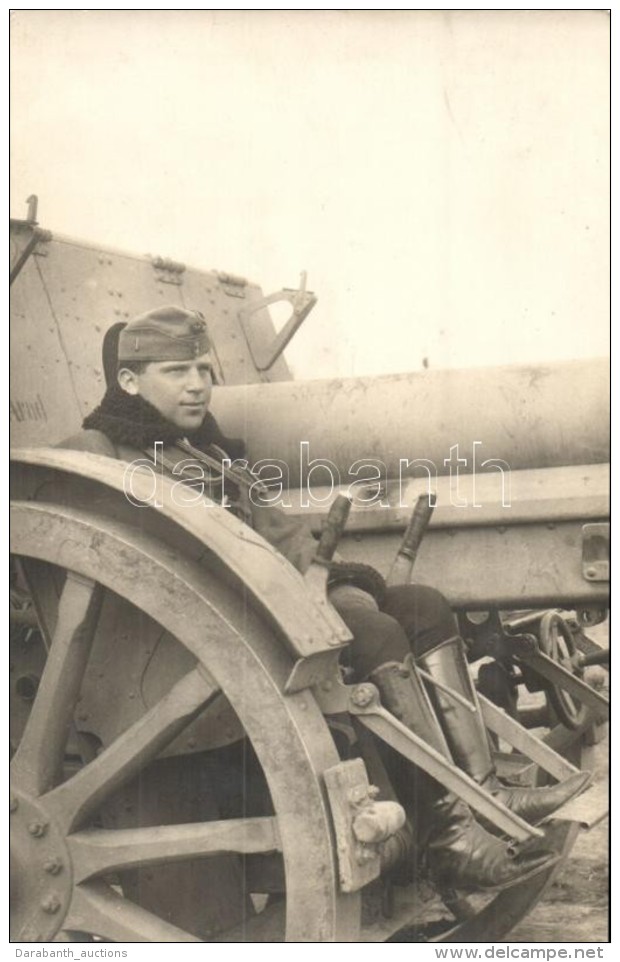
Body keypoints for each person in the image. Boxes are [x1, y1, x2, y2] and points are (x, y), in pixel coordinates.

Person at [60, 305, 589, 894]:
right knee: (377, 636)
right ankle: (449, 837)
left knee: (420, 607)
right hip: (198, 638)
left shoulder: (206, 452)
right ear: (129, 382)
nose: (197, 385)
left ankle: (483, 789)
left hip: (262, 607)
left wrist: (338, 582)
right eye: (176, 371)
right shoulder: (94, 452)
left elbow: (280, 532)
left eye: (204, 371)